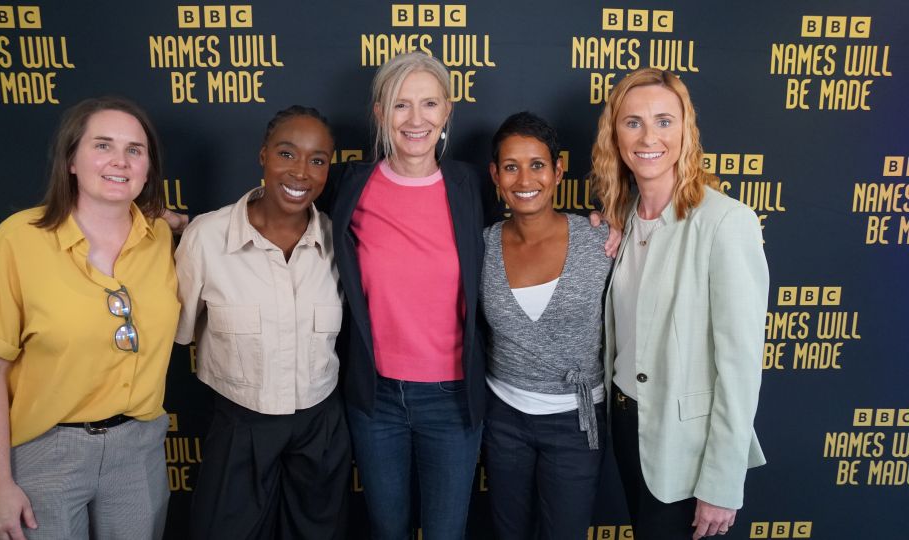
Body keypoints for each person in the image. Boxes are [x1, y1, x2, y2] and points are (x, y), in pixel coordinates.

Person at [0, 96, 179, 540]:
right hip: (46, 452)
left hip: (138, 451)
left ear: (148, 167)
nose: (120, 161)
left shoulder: (158, 237)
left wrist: (181, 220)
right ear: (71, 159)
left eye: (135, 150)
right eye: (103, 146)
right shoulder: (19, 240)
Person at [593, 68, 769, 539]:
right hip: (629, 428)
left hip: (689, 450)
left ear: (686, 130)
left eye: (664, 121)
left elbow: (740, 368)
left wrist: (723, 481)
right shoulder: (624, 220)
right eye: (633, 122)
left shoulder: (725, 222)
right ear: (615, 134)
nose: (649, 137)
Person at [318, 51, 488, 539]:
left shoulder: (471, 186)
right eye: (400, 105)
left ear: (448, 110)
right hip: (377, 399)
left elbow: (524, 235)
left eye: (429, 104)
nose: (416, 120)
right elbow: (287, 213)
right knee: (387, 529)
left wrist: (602, 225)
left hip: (453, 399)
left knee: (445, 532)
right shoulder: (352, 186)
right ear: (379, 113)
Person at [174, 106, 350, 539]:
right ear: (263, 156)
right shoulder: (206, 237)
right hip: (239, 425)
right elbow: (174, 332)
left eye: (317, 160)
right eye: (287, 154)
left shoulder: (339, 239)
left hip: (320, 426)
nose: (301, 173)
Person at [481, 112, 613, 539]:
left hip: (575, 421)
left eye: (537, 164)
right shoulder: (481, 244)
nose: (524, 178)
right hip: (504, 417)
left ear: (558, 171)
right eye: (511, 166)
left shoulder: (601, 239)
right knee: (508, 531)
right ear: (496, 176)